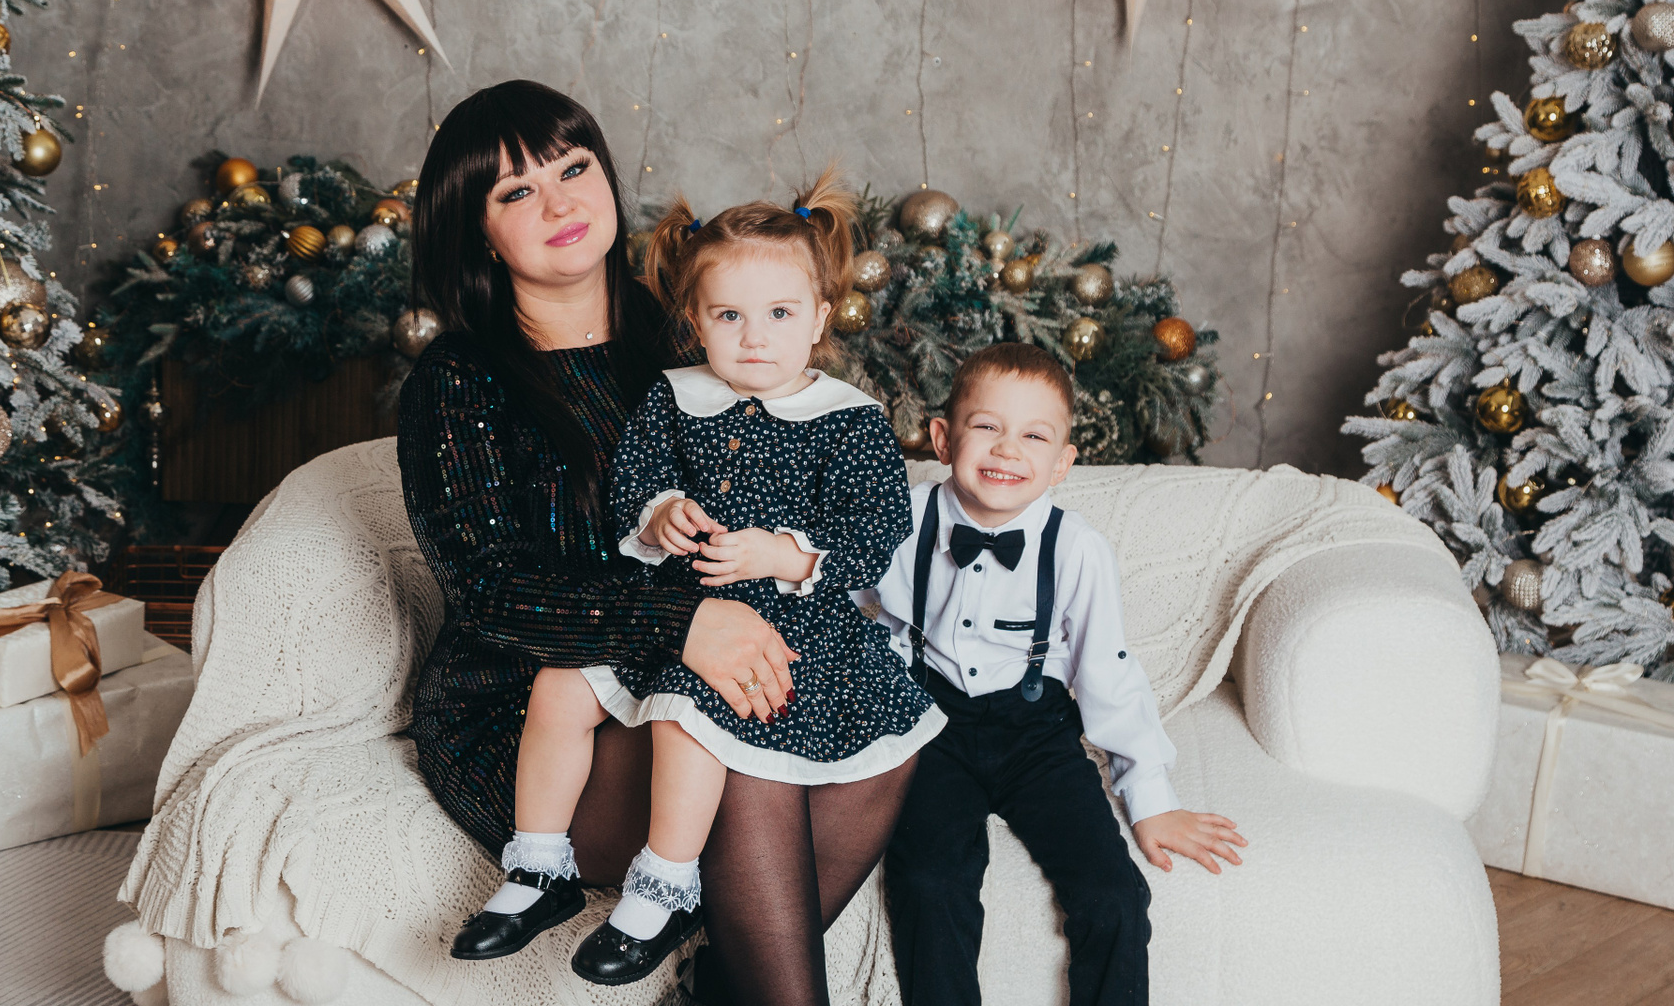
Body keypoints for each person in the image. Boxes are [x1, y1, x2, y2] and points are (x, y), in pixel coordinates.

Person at [397, 80, 920, 1006]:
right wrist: (682, 621)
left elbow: (809, 454)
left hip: (687, 652)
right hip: (535, 704)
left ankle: (722, 988)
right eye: (516, 191)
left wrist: (774, 575)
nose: (558, 203)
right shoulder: (459, 377)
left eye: (572, 169)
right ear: (477, 232)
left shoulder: (694, 320)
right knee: (738, 726)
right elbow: (489, 591)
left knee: (882, 725)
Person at [870, 343, 1248, 1006]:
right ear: (943, 439)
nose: (1007, 449)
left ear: (1062, 464)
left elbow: (1107, 671)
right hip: (931, 727)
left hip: (1036, 734)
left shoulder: (1077, 549)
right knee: (928, 882)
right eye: (987, 426)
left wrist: (1151, 798)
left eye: (1034, 436)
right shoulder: (901, 519)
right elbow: (843, 599)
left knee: (1114, 894)